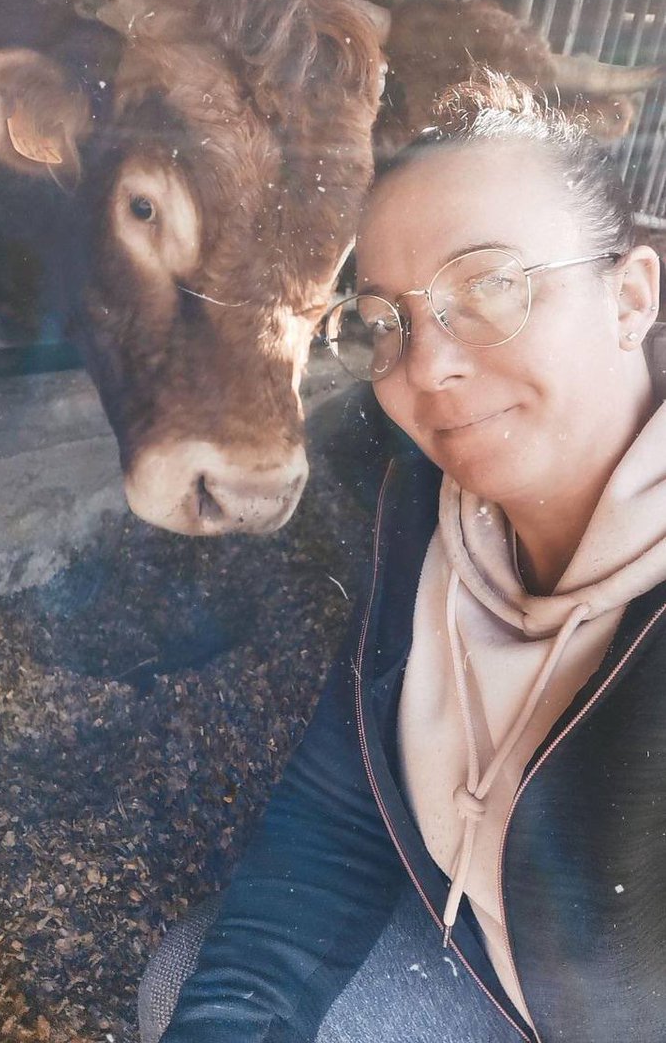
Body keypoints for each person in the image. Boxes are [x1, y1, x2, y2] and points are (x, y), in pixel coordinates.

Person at [139, 72, 666, 1043]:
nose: (427, 366)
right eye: (387, 322)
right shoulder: (424, 511)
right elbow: (334, 819)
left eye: (492, 287)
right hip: (491, 971)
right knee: (192, 983)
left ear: (630, 297)